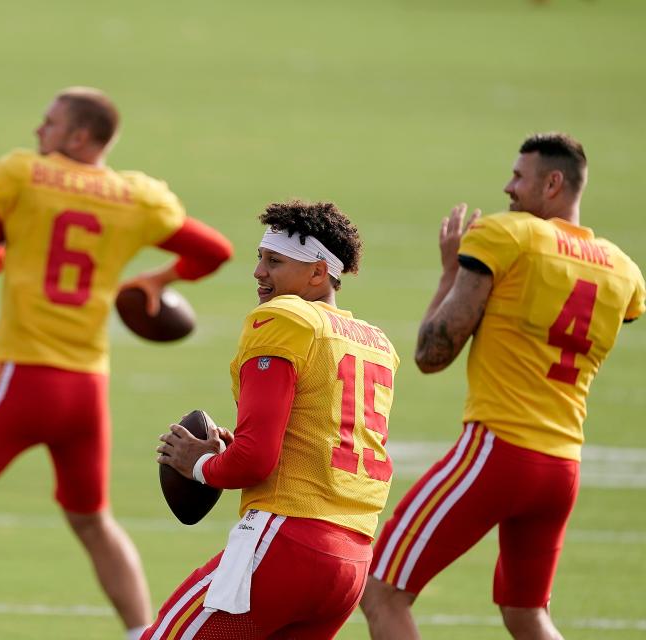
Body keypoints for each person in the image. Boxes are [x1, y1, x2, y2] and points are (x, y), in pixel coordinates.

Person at [0, 86, 233, 640]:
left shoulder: (24, 177)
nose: (37, 132)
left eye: (48, 123)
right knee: (93, 520)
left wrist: (10, 249)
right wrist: (156, 280)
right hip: (86, 390)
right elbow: (215, 250)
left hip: (23, 380)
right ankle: (143, 632)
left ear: (77, 136)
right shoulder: (133, 197)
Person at [361, 133, 645, 640]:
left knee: (381, 589)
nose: (508, 187)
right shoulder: (624, 271)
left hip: (498, 452)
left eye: (519, 176)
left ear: (552, 183)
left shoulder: (506, 235)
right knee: (526, 613)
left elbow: (433, 353)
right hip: (562, 466)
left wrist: (451, 272)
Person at [145, 200, 400, 639]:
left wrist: (197, 464)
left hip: (286, 542)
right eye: (260, 258)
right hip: (352, 559)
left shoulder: (285, 316)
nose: (259, 272)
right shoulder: (376, 342)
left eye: (275, 261)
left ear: (318, 273)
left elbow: (255, 462)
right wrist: (235, 446)